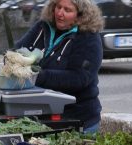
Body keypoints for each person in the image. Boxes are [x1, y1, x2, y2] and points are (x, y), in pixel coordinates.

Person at [15, 0, 104, 133]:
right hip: (42, 117)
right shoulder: (43, 26)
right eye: (58, 7)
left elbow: (79, 78)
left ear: (81, 15)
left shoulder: (88, 38)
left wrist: (37, 75)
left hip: (77, 119)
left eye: (67, 10)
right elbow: (18, 50)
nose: (60, 13)